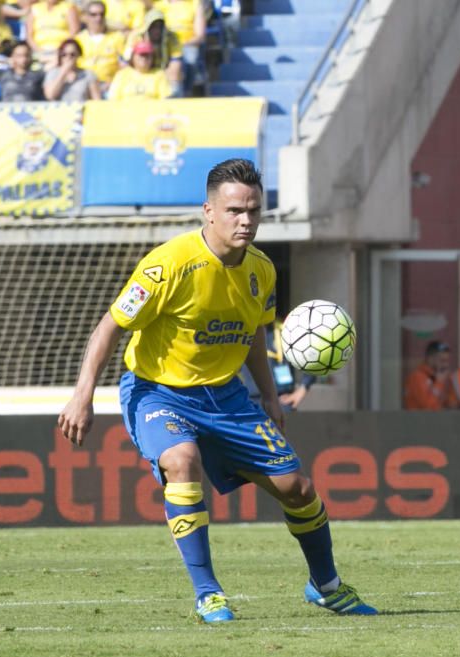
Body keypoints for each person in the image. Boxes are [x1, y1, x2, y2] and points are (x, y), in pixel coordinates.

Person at [57, 159, 376, 623]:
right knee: (182, 461)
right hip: (158, 391)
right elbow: (110, 326)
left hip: (226, 397)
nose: (245, 220)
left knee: (298, 489)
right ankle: (208, 593)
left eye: (253, 210)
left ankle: (325, 586)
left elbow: (253, 334)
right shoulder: (168, 265)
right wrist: (81, 395)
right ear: (208, 210)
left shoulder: (262, 271)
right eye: (233, 211)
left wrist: (268, 395)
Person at [238, 319, 317, 411]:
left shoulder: (286, 330)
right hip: (249, 400)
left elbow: (313, 356)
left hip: (282, 401)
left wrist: (303, 388)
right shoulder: (240, 330)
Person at [75, 1, 127, 95]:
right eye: (93, 15)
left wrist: (113, 83)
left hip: (110, 86)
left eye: (101, 14)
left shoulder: (117, 38)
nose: (98, 18)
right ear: (86, 17)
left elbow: (123, 66)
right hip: (84, 85)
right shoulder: (79, 40)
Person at [106, 39, 171, 100]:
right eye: (141, 55)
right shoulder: (122, 74)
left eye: (147, 55)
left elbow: (165, 99)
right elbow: (113, 98)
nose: (144, 58)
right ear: (133, 56)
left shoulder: (159, 74)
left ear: (152, 58)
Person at [403, 340, 458, 410]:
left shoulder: (439, 376)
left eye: (447, 361)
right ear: (430, 358)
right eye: (442, 360)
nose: (446, 365)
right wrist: (439, 383)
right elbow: (427, 408)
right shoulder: (417, 377)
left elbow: (450, 404)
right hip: (419, 419)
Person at [24, 0, 80, 65]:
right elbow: (29, 35)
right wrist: (40, 51)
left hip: (61, 51)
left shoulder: (68, 7)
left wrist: (60, 51)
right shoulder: (35, 8)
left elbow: (74, 32)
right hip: (39, 51)